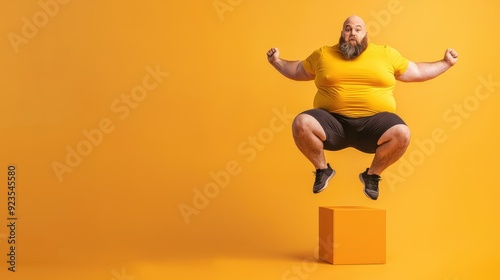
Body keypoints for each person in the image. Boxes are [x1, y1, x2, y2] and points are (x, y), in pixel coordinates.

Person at [266, 15, 458, 200]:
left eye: (358, 29)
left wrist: (446, 63)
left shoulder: (385, 54)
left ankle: (372, 176)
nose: (352, 33)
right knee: (301, 123)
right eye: (348, 29)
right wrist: (276, 61)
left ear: (365, 34)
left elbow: (416, 71)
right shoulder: (324, 54)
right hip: (332, 124)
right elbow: (298, 70)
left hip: (373, 128)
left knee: (402, 133)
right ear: (342, 33)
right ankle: (322, 169)